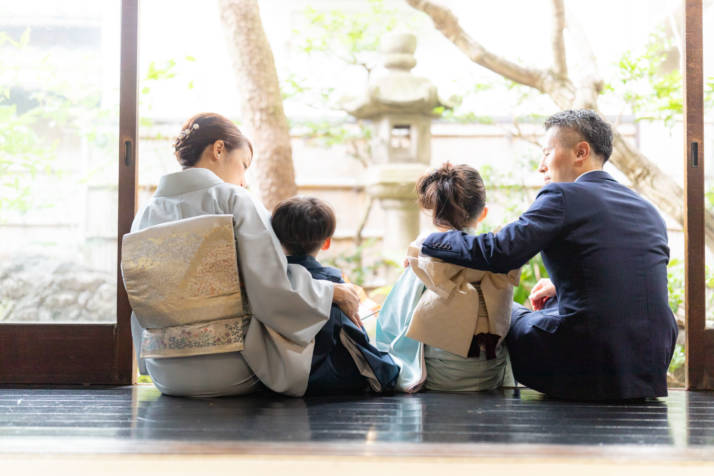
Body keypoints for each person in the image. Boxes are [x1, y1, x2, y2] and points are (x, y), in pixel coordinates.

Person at [421, 110, 678, 401]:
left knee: (512, 313)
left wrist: (430, 240)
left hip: (588, 362)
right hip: (649, 362)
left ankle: (468, 380)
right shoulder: (646, 209)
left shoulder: (562, 196)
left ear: (581, 152)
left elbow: (498, 253)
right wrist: (559, 286)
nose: (541, 166)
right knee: (554, 302)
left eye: (547, 153)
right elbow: (632, 274)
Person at [127, 112, 361, 397]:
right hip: (231, 368)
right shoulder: (233, 199)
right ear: (218, 149)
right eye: (243, 165)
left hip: (165, 372)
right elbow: (271, 289)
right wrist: (330, 292)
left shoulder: (145, 214)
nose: (244, 180)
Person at [376, 163, 520, 393]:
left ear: (434, 215)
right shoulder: (498, 255)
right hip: (490, 377)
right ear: (483, 212)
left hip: (438, 378)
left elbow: (391, 327)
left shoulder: (422, 259)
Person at [271, 196, 400, 394]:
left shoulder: (269, 282)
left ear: (276, 239)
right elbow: (358, 341)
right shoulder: (335, 286)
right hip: (326, 378)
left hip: (274, 376)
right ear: (327, 243)